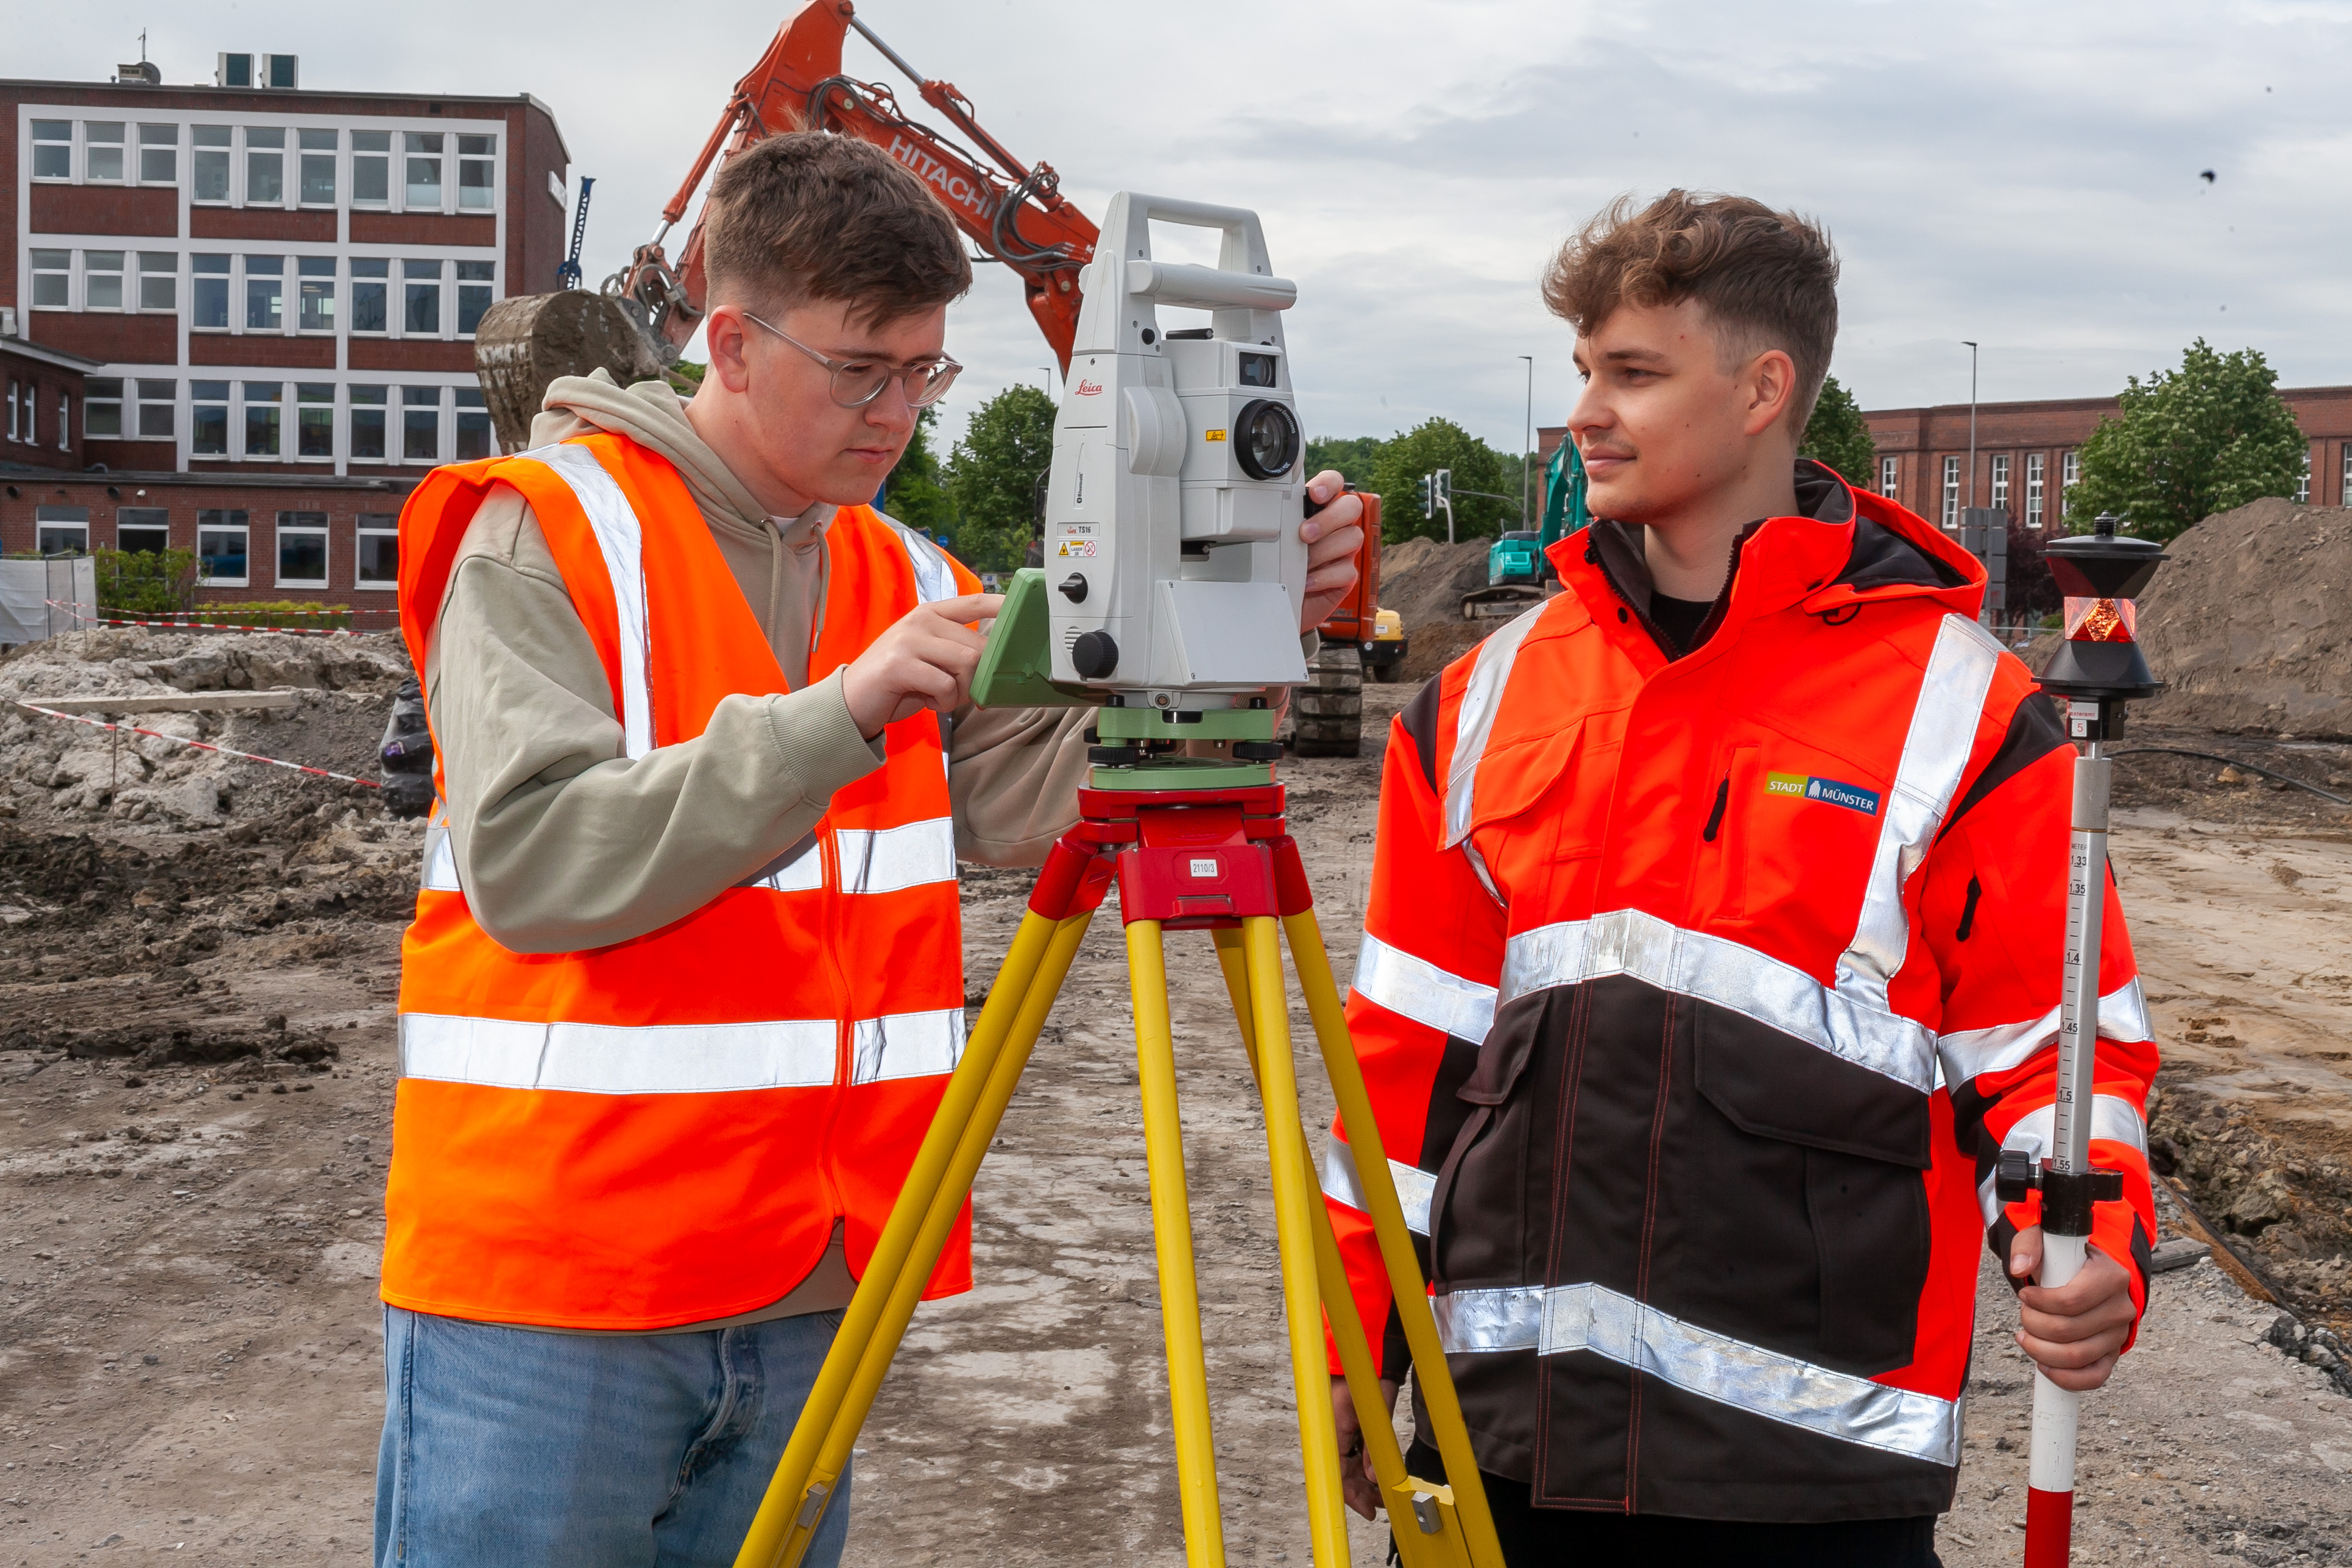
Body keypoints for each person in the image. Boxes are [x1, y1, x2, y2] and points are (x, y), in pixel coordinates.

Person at [375, 131, 1362, 1567]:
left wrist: (1240, 622)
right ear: (728, 338)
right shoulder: (543, 536)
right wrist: (837, 713)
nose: (899, 410)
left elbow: (1040, 803)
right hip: (560, 1287)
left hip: (813, 1278)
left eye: (924, 370)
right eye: (861, 369)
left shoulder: (901, 572)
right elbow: (534, 862)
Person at [1320, 190, 2157, 1567]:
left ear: (1763, 387)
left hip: (1805, 1479)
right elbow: (1401, 1061)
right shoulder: (1481, 699)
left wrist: (2096, 1241)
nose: (1584, 410)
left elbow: (2060, 1047)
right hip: (1502, 1448)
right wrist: (1357, 1329)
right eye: (1583, 370)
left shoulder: (1961, 711)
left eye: (1632, 373)